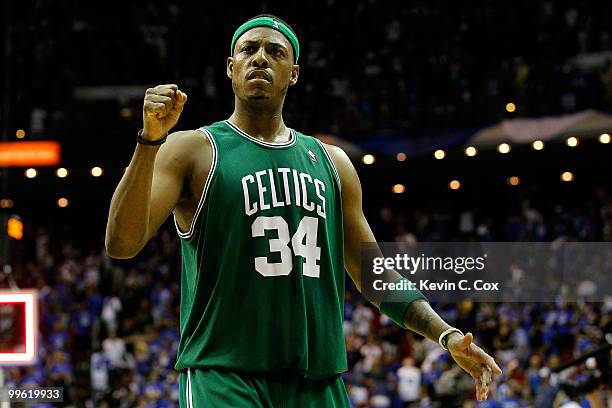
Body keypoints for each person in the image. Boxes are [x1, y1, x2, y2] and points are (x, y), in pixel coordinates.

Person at [105, 14, 501, 407]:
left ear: (293, 73)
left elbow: (375, 275)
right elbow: (121, 244)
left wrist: (446, 335)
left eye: (274, 52)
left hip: (317, 381)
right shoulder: (192, 148)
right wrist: (148, 141)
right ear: (230, 67)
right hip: (225, 376)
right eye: (249, 49)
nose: (260, 58)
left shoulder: (333, 163)